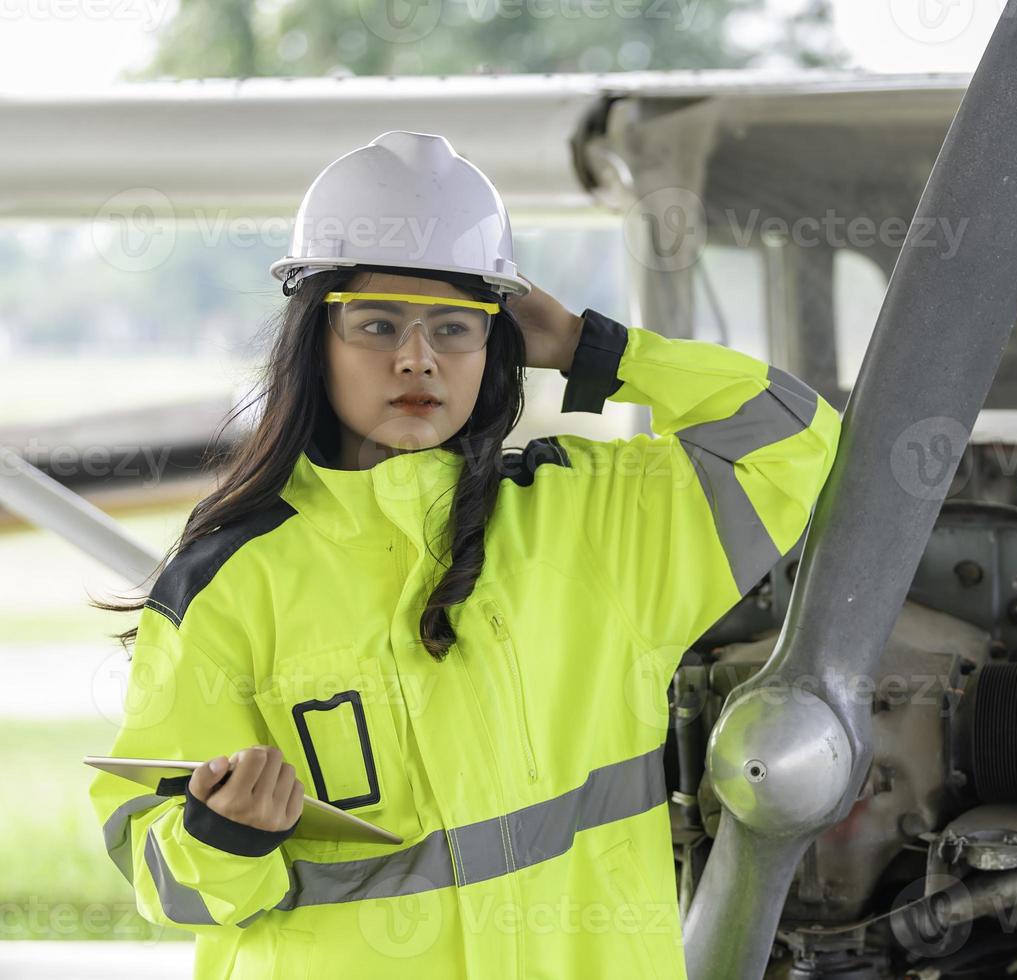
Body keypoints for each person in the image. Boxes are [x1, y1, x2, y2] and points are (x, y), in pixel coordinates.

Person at [88, 131, 841, 979]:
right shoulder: (227, 585)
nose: (417, 359)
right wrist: (220, 838)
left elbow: (792, 443)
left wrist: (600, 351)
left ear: (498, 346)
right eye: (376, 326)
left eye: (455, 328)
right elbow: (152, 864)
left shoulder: (594, 522)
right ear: (315, 342)